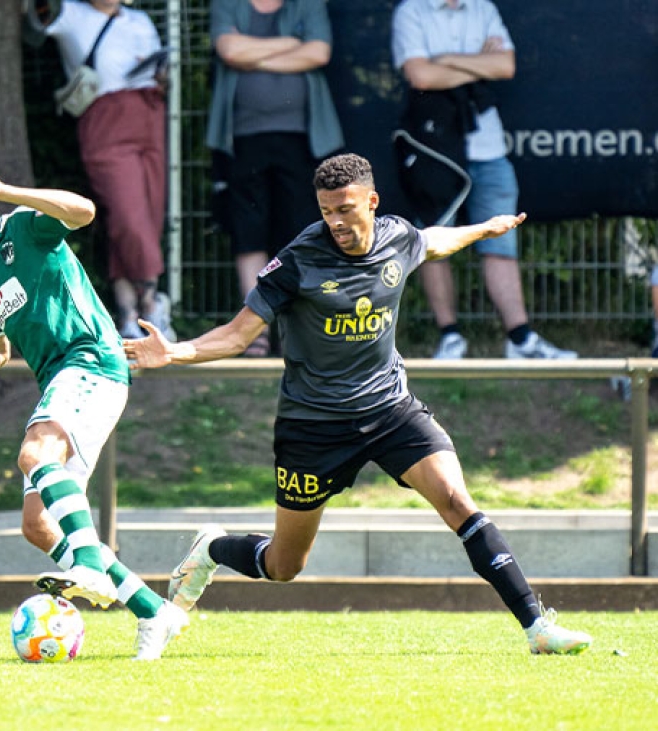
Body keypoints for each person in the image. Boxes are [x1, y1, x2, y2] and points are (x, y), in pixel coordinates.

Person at [124, 153, 592, 656]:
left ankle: (537, 628)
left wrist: (484, 228)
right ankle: (213, 549)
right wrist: (174, 351)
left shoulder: (397, 237)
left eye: (345, 210)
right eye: (327, 212)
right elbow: (238, 336)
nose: (336, 223)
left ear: (372, 201)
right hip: (313, 426)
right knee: (285, 565)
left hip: (390, 409)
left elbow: (434, 241)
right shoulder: (299, 260)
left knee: (459, 503)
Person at [0, 155, 188, 661]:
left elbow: (84, 211)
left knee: (36, 454)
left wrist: (6, 188)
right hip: (64, 381)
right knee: (37, 525)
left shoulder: (26, 229)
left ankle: (90, 567)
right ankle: (153, 611)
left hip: (92, 362)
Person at [392, 0, 574, 360]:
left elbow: (505, 65)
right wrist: (477, 61)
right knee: (433, 240)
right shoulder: (411, 11)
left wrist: (445, 59)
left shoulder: (483, 9)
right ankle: (451, 338)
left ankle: (520, 339)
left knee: (502, 239)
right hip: (436, 148)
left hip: (488, 149)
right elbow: (421, 76)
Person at [208, 0, 344, 356]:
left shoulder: (308, 4)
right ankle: (255, 331)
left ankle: (297, 329)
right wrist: (291, 42)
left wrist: (252, 53)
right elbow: (228, 50)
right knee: (248, 232)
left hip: (303, 139)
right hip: (241, 138)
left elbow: (319, 52)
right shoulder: (227, 4)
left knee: (300, 233)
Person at [43, 0, 173, 341]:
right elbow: (31, 19)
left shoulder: (139, 19)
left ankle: (130, 315)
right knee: (128, 216)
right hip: (105, 117)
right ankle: (153, 302)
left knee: (147, 215)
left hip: (149, 110)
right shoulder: (69, 13)